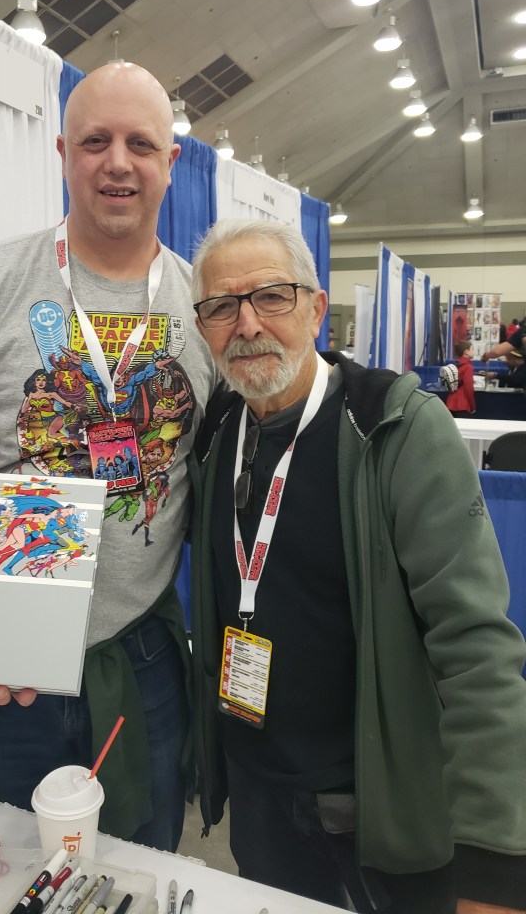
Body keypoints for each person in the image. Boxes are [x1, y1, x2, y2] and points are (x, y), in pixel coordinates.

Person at [0, 61, 218, 850]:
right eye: (95, 141)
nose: (117, 162)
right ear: (64, 151)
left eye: (141, 144)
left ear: (171, 162)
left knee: (138, 867)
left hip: (140, 656)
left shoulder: (205, 310)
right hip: (4, 666)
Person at [187, 217, 526, 914]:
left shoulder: (396, 430)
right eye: (221, 306)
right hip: (260, 794)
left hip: (377, 805)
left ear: (316, 309)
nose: (247, 324)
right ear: (203, 327)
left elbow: (475, 648)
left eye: (271, 296)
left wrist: (493, 862)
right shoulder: (218, 430)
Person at [445, 339, 476, 417]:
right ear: (466, 352)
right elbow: (469, 389)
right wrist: (472, 406)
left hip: (450, 403)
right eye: (472, 349)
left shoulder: (455, 365)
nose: (473, 351)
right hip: (462, 405)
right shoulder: (468, 367)